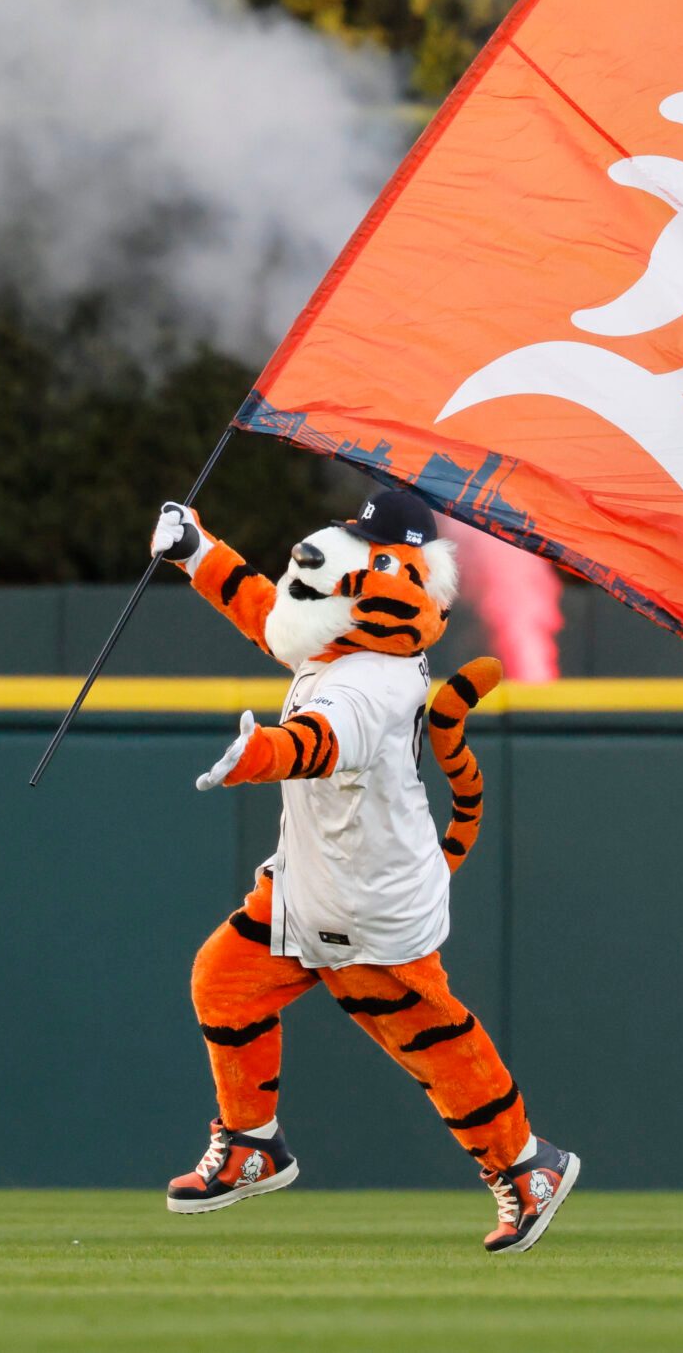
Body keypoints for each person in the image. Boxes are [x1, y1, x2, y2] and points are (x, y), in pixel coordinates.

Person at [146, 486, 578, 1255]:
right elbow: (270, 615)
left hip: (369, 901)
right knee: (224, 978)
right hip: (313, 877)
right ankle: (252, 1143)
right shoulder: (345, 641)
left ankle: (524, 1163)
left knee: (433, 1042)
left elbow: (322, 741)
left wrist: (260, 755)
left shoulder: (374, 676)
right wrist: (196, 551)